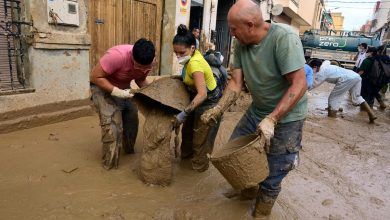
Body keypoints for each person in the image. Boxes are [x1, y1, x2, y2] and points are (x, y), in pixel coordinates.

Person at [201, 0, 308, 217]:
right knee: (234, 152)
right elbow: (235, 83)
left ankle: (261, 212)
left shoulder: (284, 39)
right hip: (257, 110)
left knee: (274, 172)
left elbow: (300, 84)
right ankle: (247, 191)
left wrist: (273, 119)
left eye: (233, 28)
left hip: (287, 117)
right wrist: (218, 109)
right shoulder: (241, 43)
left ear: (250, 25)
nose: (231, 33)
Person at [90, 38, 156, 170]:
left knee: (132, 120)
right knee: (113, 128)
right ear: (132, 57)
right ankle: (109, 166)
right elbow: (94, 77)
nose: (143, 70)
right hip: (102, 87)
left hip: (124, 88)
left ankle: (129, 152)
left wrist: (152, 96)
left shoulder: (149, 59)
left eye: (146, 68)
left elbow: (141, 79)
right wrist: (116, 92)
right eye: (139, 67)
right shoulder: (117, 56)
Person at [172, 24, 224, 172]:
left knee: (201, 139)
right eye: (176, 53)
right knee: (187, 132)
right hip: (196, 96)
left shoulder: (195, 63)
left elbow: (202, 94)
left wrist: (183, 113)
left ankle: (198, 168)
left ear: (192, 49)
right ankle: (185, 162)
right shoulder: (191, 58)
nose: (178, 56)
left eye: (182, 53)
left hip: (209, 101)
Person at [309, 59, 376, 122]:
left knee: (334, 98)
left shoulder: (321, 73)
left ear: (315, 67)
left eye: (312, 69)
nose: (312, 71)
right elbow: (328, 61)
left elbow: (312, 85)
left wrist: (302, 89)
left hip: (345, 78)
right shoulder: (324, 64)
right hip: (356, 76)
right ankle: (371, 114)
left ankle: (332, 119)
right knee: (357, 97)